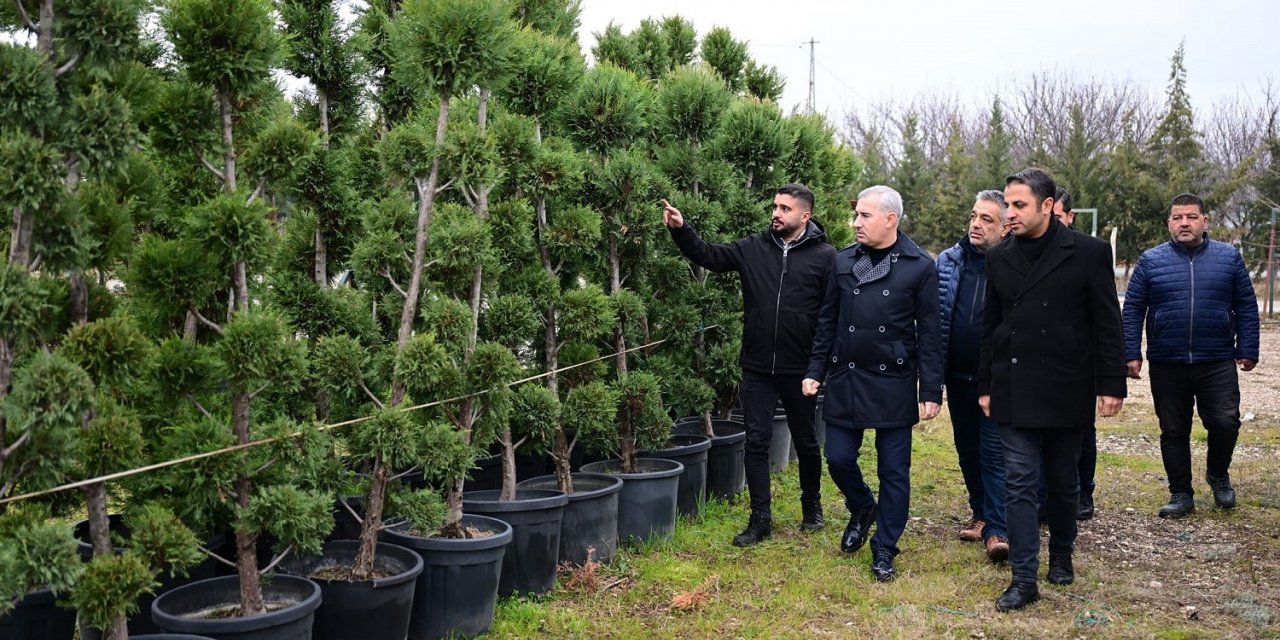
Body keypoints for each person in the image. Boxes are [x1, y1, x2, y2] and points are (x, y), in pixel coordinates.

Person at [979, 168, 1125, 612]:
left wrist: (1111, 383)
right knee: (1020, 482)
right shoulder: (999, 256)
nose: (1010, 213)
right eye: (1008, 204)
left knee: (1063, 482)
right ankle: (1024, 578)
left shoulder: (1089, 252)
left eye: (1019, 205)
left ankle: (1062, 554)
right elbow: (990, 326)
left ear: (1047, 206)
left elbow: (1107, 323)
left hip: (1067, 385)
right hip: (1014, 386)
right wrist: (985, 385)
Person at [662, 184, 835, 547]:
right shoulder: (753, 247)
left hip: (800, 369)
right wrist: (681, 229)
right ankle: (760, 519)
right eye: (775, 206)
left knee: (805, 441)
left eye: (785, 208)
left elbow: (829, 319)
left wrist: (817, 369)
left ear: (805, 215)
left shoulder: (825, 258)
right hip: (757, 366)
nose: (776, 213)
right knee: (756, 442)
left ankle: (812, 506)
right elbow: (710, 255)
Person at [803, 185, 943, 582]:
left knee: (894, 471)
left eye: (864, 216)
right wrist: (815, 370)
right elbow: (827, 321)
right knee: (839, 458)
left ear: (890, 219)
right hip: (847, 374)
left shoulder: (919, 265)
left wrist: (931, 389)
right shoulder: (844, 261)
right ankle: (863, 507)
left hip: (893, 379)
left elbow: (931, 332)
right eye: (856, 215)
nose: (856, 223)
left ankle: (885, 546)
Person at [1121, 193, 1260, 519]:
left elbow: (1247, 306)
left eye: (1192, 217)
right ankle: (1181, 493)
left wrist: (1248, 348)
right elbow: (1133, 311)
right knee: (1173, 429)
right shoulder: (1150, 261)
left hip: (1217, 360)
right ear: (1169, 223)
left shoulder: (1229, 258)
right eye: (1178, 217)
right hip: (1168, 361)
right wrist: (1131, 352)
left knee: (1225, 422)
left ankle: (1217, 474)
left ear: (1205, 221)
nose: (1185, 223)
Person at [937, 190, 1009, 562]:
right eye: (973, 216)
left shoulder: (1013, 262)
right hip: (957, 374)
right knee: (967, 450)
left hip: (996, 379)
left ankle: (998, 528)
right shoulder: (949, 261)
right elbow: (938, 317)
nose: (976, 225)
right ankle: (980, 513)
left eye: (986, 219)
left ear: (1004, 226)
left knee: (994, 451)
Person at [1044, 185, 1098, 521]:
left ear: (1069, 217)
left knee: (1081, 432)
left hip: (1077, 363)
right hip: (1038, 362)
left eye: (1057, 218)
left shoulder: (1087, 255)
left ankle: (1082, 493)